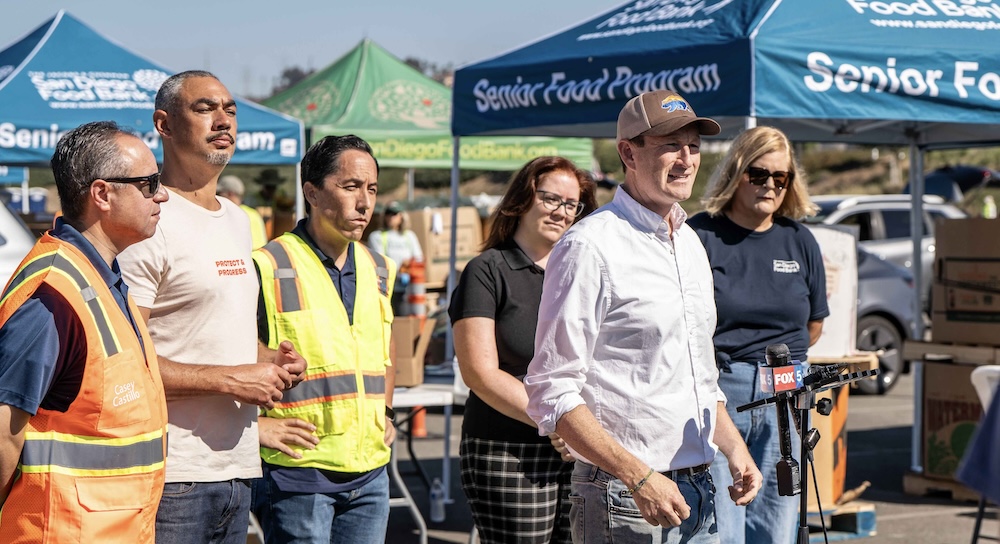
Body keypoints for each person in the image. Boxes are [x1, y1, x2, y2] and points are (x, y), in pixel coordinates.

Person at [524, 90, 762, 544]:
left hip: (698, 487)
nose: (686, 159)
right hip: (625, 495)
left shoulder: (689, 242)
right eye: (670, 144)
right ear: (628, 152)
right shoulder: (589, 246)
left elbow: (696, 376)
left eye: (693, 146)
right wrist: (637, 476)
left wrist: (734, 449)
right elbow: (550, 388)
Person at [117, 70, 306, 544]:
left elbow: (212, 331)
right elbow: (122, 365)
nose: (222, 119)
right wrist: (231, 379)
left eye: (230, 109)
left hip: (237, 468)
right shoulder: (148, 219)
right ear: (164, 124)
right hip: (170, 474)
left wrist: (268, 363)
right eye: (204, 108)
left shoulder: (238, 219)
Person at [0, 121, 169, 542]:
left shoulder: (100, 277)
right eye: (149, 184)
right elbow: (3, 432)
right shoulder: (54, 295)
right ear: (102, 194)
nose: (162, 194)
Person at [250, 135, 398, 544]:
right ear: (311, 192)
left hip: (370, 472)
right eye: (351, 187)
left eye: (371, 189)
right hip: (298, 472)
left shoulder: (379, 268)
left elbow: (385, 348)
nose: (365, 202)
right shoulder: (267, 265)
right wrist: (256, 427)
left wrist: (385, 410)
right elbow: (231, 356)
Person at [687, 125, 828, 544]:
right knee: (720, 527)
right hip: (722, 390)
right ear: (736, 172)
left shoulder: (799, 240)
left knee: (778, 524)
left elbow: (814, 325)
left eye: (780, 178)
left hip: (788, 390)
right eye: (758, 174)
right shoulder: (700, 235)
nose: (770, 185)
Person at [449, 156, 597, 544]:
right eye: (550, 199)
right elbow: (480, 373)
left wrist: (577, 429)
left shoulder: (579, 273)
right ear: (523, 200)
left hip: (580, 446)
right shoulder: (487, 270)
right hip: (509, 450)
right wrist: (556, 420)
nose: (561, 212)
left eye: (571, 204)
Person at [367, 201, 423, 315]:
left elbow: (418, 258)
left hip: (407, 288)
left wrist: (407, 269)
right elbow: (379, 263)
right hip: (386, 288)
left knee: (405, 321)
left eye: (395, 214)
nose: (391, 217)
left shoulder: (409, 236)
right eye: (388, 214)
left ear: (401, 216)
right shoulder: (377, 236)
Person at [217, 174, 268, 248]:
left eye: (218, 194)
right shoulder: (253, 213)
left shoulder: (231, 214)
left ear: (230, 194)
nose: (216, 197)